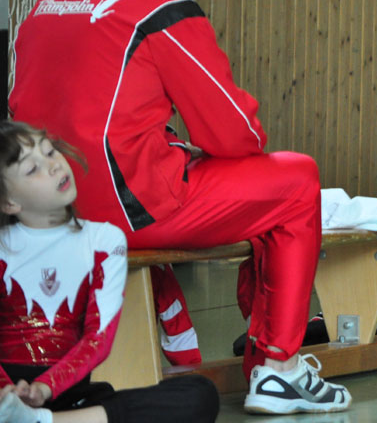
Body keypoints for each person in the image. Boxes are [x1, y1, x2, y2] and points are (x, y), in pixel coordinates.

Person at [8, 0, 350, 414]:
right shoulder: (159, 6)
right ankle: (278, 367)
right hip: (130, 208)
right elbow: (234, 133)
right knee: (295, 179)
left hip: (44, 208)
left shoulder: (47, 3)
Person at [0, 121, 219, 423]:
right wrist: (8, 394)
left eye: (50, 152)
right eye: (32, 168)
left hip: (72, 395)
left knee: (200, 394)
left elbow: (98, 339)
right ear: (9, 202)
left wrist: (44, 389)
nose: (53, 165)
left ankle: (40, 421)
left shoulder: (104, 240)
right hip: (6, 393)